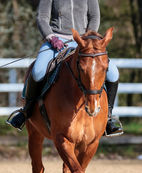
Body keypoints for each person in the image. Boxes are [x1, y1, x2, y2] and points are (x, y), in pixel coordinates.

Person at [7, 0, 123, 136]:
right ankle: (26, 112)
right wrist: (51, 37)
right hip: (56, 41)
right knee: (38, 71)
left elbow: (94, 17)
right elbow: (42, 18)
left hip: (84, 43)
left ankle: (108, 118)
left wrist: (86, 39)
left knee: (113, 73)